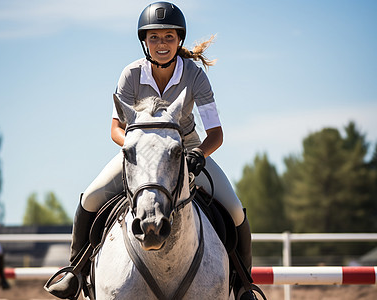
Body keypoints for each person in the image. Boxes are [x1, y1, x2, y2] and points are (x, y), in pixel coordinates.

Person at [48, 2, 254, 299]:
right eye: (154, 37)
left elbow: (216, 134)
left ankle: (244, 285)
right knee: (91, 197)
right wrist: (138, 148)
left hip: (188, 153)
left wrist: (198, 155)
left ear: (179, 40)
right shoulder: (131, 74)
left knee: (234, 209)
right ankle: (74, 272)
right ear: (144, 42)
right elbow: (116, 129)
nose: (162, 44)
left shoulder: (195, 76)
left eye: (168, 37)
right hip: (138, 155)